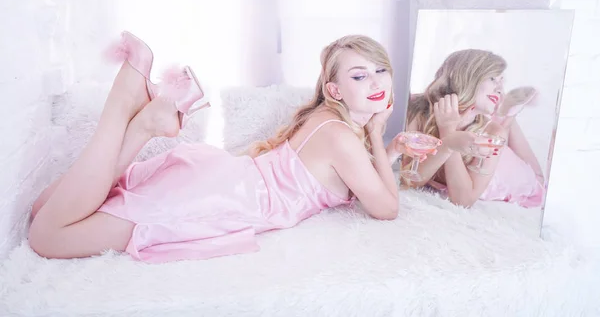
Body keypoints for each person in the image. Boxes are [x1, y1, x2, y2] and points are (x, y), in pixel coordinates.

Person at [29, 32, 407, 263]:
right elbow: (386, 208)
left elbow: (358, 181)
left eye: (381, 70)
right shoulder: (342, 136)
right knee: (48, 236)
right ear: (335, 90)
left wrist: (383, 150)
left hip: (221, 179)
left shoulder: (325, 120)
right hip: (218, 200)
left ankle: (146, 122)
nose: (376, 80)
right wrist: (377, 132)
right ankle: (126, 96)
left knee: (45, 207)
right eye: (360, 75)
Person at [404, 49, 545, 208]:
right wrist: (448, 139)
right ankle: (506, 114)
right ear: (467, 76)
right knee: (498, 129)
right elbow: (410, 179)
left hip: (504, 173)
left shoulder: (493, 134)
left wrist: (448, 133)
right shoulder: (419, 108)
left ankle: (509, 116)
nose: (500, 88)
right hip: (479, 135)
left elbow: (463, 200)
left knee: (538, 181)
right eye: (493, 79)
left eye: (501, 82)